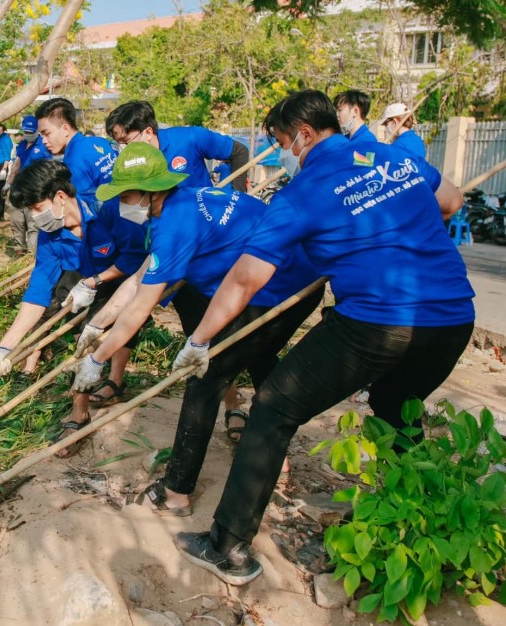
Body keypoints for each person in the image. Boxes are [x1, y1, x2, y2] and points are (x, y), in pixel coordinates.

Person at [166, 89, 473, 586]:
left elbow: (245, 279)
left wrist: (199, 339)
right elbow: (452, 201)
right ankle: (411, 526)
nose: (284, 153)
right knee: (398, 407)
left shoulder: (303, 192)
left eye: (283, 142)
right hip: (454, 318)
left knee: (271, 408)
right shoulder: (391, 155)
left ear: (305, 134)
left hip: (377, 322)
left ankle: (228, 547)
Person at [71, 141, 320, 516]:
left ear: (150, 191)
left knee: (205, 379)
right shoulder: (180, 201)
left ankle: (177, 493)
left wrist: (97, 359)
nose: (123, 201)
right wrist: (96, 324)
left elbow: (142, 304)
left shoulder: (175, 224)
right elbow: (139, 279)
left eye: (127, 194)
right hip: (290, 276)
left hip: (282, 288)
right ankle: (277, 458)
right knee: (258, 356)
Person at [0, 159, 146, 458]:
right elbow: (37, 293)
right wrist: (5, 347)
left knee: (118, 325)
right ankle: (81, 412)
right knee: (84, 336)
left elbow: (136, 256)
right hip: (88, 277)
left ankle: (102, 393)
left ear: (59, 196)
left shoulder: (108, 208)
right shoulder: (51, 235)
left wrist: (98, 280)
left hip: (129, 274)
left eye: (36, 208)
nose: (35, 218)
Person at [105, 100, 250, 193]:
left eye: (125, 141)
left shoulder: (190, 138)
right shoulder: (128, 164)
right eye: (117, 143)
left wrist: (236, 197)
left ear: (148, 132)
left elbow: (239, 151)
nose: (122, 148)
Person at [34, 98, 117, 210]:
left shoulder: (74, 161)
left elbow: (83, 209)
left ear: (65, 129)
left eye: (46, 133)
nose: (43, 140)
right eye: (41, 135)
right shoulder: (103, 142)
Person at [5, 115, 52, 251]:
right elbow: (17, 164)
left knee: (33, 224)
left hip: (35, 190)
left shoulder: (44, 146)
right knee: (16, 221)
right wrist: (8, 183)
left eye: (31, 132)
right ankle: (19, 251)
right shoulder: (22, 145)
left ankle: (32, 256)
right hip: (18, 188)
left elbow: (48, 169)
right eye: (26, 132)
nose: (28, 135)